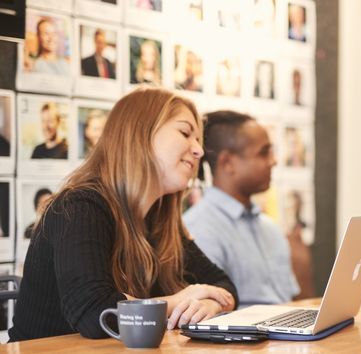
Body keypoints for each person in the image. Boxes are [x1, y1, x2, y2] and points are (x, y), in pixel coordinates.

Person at [9, 87, 237, 342]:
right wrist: (180, 301)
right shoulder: (79, 207)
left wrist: (210, 305)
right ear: (140, 134)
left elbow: (223, 284)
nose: (199, 150)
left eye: (199, 140)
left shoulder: (157, 220)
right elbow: (97, 314)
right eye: (185, 133)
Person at [183, 110, 314, 307]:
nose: (274, 161)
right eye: (264, 153)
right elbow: (210, 318)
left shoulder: (270, 229)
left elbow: (293, 301)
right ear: (228, 163)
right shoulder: (199, 229)